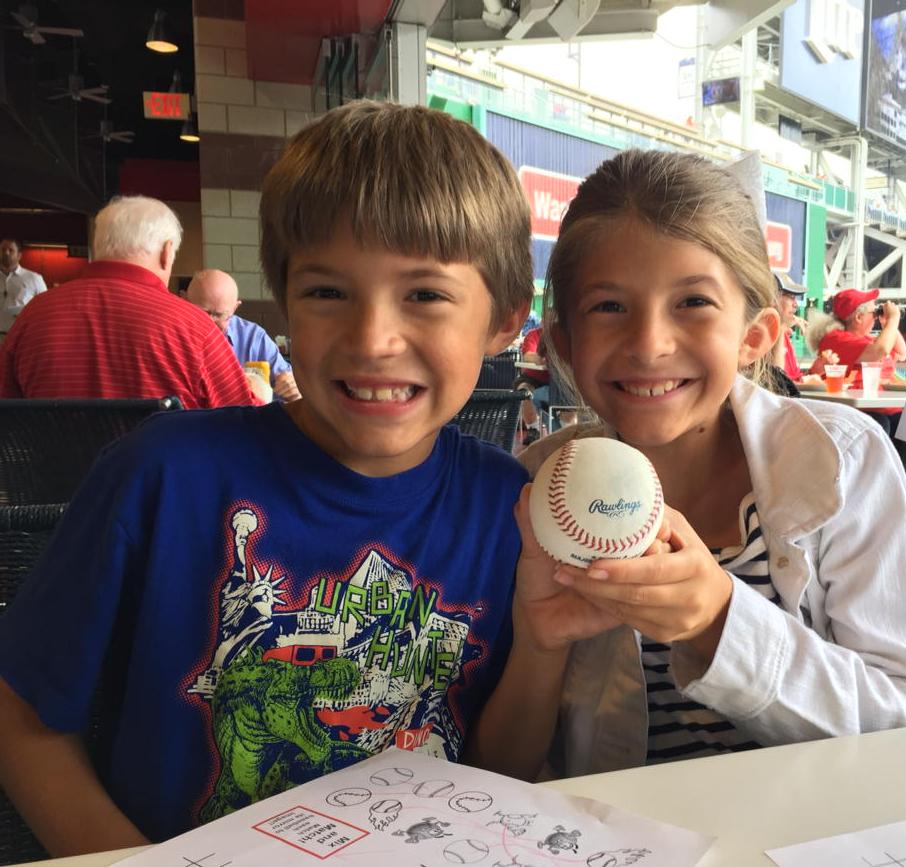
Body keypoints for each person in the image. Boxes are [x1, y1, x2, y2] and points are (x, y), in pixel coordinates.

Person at [0, 100, 532, 856]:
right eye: (327, 291)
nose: (372, 338)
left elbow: (496, 772)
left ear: (504, 321)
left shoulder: (504, 506)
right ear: (283, 302)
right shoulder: (160, 474)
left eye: (424, 294)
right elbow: (21, 716)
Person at [469, 150, 906, 782]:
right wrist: (538, 642)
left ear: (754, 336)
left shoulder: (842, 460)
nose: (650, 343)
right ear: (564, 342)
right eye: (609, 307)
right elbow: (502, 774)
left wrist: (718, 621)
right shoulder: (534, 487)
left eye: (693, 302)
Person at [0, 198, 255, 410]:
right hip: (162, 472)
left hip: (55, 472)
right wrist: (260, 392)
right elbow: (242, 419)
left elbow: (9, 419)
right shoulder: (193, 327)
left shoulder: (32, 316)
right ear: (167, 252)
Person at [186, 268, 301, 402]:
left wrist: (295, 390)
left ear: (234, 308)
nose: (209, 323)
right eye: (202, 313)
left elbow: (291, 386)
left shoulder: (253, 340)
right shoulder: (172, 336)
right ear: (184, 301)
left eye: (218, 315)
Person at [807, 287, 906, 433]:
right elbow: (879, 351)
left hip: (886, 408)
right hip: (860, 410)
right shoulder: (837, 339)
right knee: (879, 424)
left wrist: (888, 324)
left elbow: (901, 353)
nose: (875, 317)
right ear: (858, 317)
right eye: (874, 313)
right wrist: (894, 319)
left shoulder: (868, 339)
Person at [770, 272, 836, 383]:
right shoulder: (763, 335)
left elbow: (793, 381)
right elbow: (777, 385)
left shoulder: (783, 335)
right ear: (772, 299)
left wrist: (814, 371)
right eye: (791, 297)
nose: (795, 304)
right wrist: (780, 329)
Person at [0, 238, 47, 339]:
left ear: (19, 255)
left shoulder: (34, 278)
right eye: (3, 250)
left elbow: (45, 308)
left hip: (22, 337)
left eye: (11, 250)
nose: (6, 253)